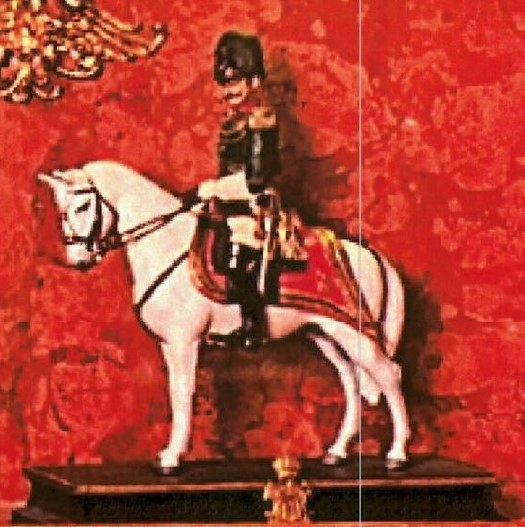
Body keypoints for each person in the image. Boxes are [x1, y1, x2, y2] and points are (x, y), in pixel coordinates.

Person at [198, 31, 280, 349]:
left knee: (239, 254)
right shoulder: (232, 123)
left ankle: (252, 326)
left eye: (235, 82)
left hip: (256, 202)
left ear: (254, 81)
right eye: (224, 83)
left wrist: (213, 189)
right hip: (230, 202)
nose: (229, 90)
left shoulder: (260, 120)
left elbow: (256, 179)